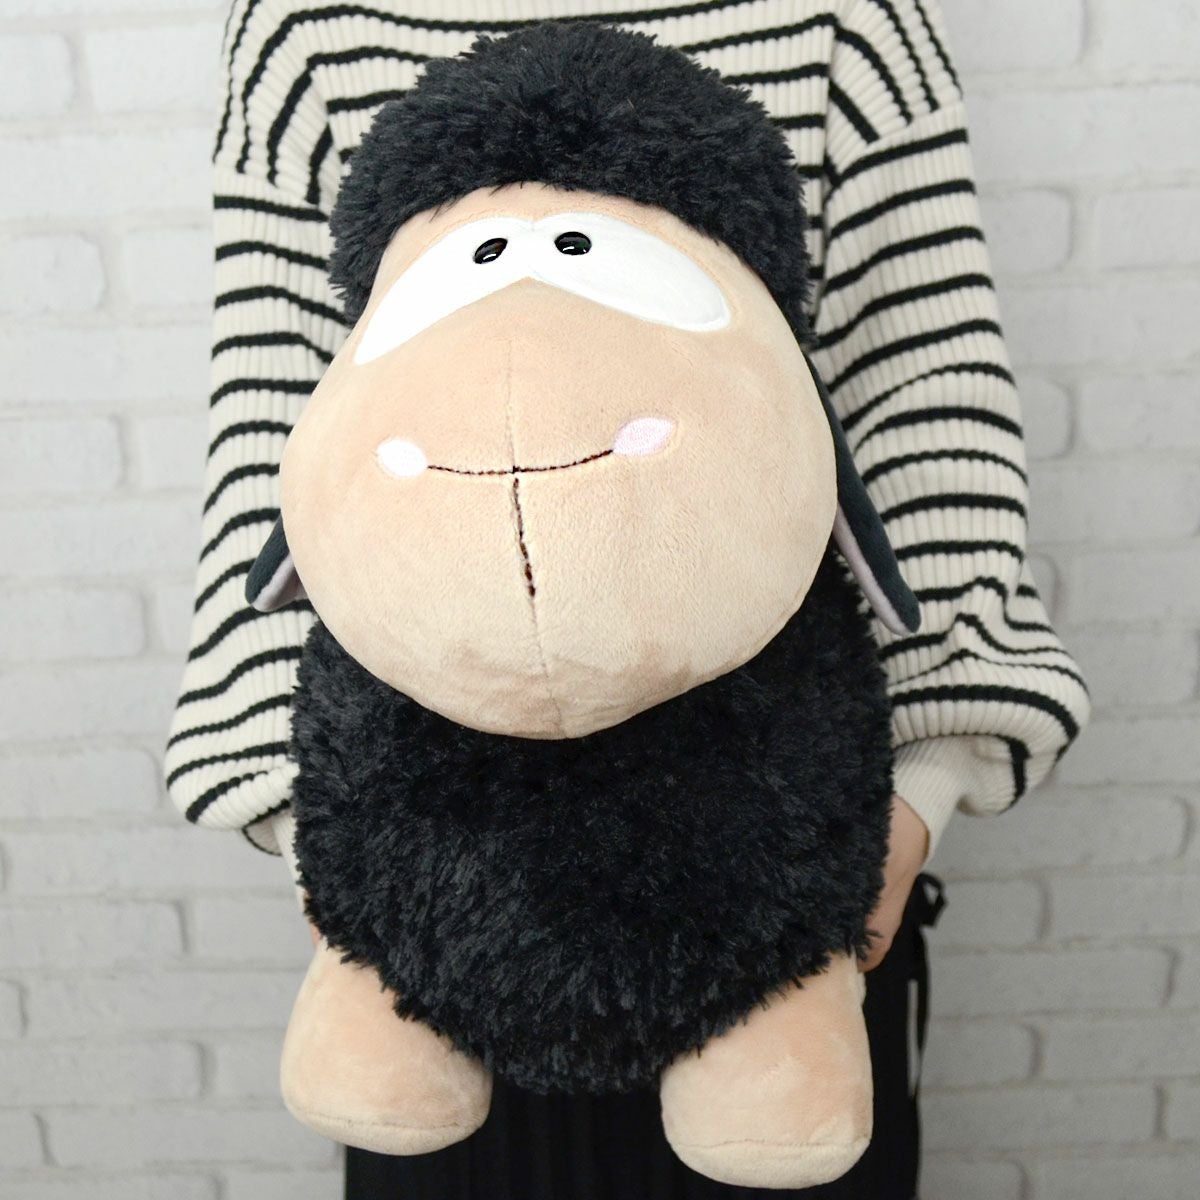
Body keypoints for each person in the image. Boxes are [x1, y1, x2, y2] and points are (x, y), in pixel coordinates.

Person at [165, 1, 1091, 1196]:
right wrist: (336, 854)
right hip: (437, 883)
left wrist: (912, 804)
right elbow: (279, 425)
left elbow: (926, 400)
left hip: (790, 850)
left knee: (782, 1131)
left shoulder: (845, 19)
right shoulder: (308, 30)